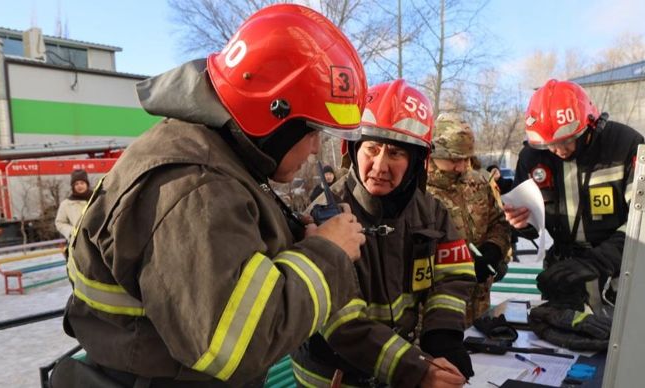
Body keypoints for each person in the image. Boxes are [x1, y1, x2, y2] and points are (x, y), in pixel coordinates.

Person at [54, 5, 369, 387]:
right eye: (311, 131)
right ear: (274, 115)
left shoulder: (215, 157)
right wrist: (328, 254)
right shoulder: (195, 186)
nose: (316, 149)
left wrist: (297, 242)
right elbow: (238, 343)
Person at [291, 79, 475, 388]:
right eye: (372, 149)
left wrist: (442, 338)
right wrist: (414, 369)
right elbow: (341, 319)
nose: (380, 165)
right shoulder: (325, 215)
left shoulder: (431, 212)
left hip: (399, 369)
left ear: (417, 161)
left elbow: (454, 274)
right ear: (352, 150)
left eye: (395, 153)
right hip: (334, 377)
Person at [505, 79, 644, 315]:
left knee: (620, 344)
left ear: (591, 125)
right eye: (548, 144)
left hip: (621, 268)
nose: (558, 150)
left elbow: (643, 221)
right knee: (561, 342)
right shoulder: (531, 157)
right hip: (564, 269)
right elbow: (531, 220)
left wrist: (598, 262)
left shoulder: (625, 144)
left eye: (567, 140)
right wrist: (521, 224)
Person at [426, 115, 511, 322]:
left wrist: (493, 250)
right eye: (455, 159)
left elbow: (499, 223)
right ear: (433, 153)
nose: (462, 166)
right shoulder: (418, 191)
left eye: (467, 159)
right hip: (437, 308)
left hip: (479, 303)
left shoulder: (478, 183)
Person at [54, 169, 92, 240]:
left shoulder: (96, 199)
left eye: (82, 183)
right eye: (76, 184)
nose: (79, 186)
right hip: (78, 242)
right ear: (73, 186)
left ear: (87, 184)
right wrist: (72, 231)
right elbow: (59, 223)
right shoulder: (66, 204)